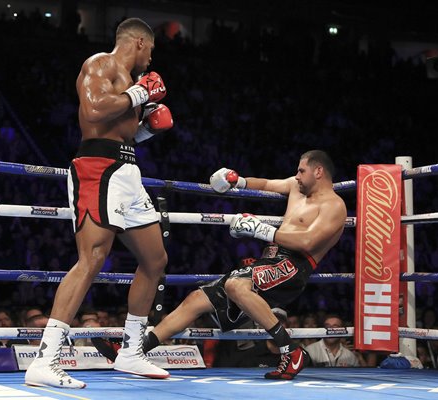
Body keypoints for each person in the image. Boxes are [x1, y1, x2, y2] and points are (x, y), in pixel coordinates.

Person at [25, 17, 173, 388]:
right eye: (151, 50)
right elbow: (93, 113)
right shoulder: (100, 64)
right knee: (91, 259)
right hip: (97, 169)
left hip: (127, 170)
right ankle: (44, 360)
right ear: (139, 42)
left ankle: (130, 352)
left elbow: (122, 132)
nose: (151, 59)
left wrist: (148, 129)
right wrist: (141, 94)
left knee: (156, 260)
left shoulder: (131, 85)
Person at [133, 150, 347, 380]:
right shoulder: (297, 188)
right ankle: (136, 351)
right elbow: (266, 184)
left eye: (301, 171)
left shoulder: (334, 206)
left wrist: (261, 229)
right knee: (196, 299)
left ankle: (291, 350)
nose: (296, 176)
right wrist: (237, 180)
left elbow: (307, 241)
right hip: (270, 259)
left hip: (294, 265)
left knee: (236, 285)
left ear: (318, 171)